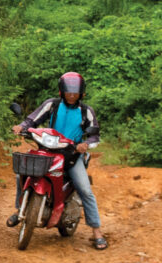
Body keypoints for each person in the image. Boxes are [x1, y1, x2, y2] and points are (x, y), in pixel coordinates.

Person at [7, 72, 108, 250]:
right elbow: (32, 119)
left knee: (85, 189)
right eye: (68, 92)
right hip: (47, 150)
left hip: (71, 156)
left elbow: (94, 136)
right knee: (22, 174)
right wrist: (21, 127)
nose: (71, 95)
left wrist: (85, 144)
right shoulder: (52, 105)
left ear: (81, 93)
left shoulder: (86, 111)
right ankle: (19, 210)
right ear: (62, 91)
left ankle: (97, 232)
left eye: (75, 92)